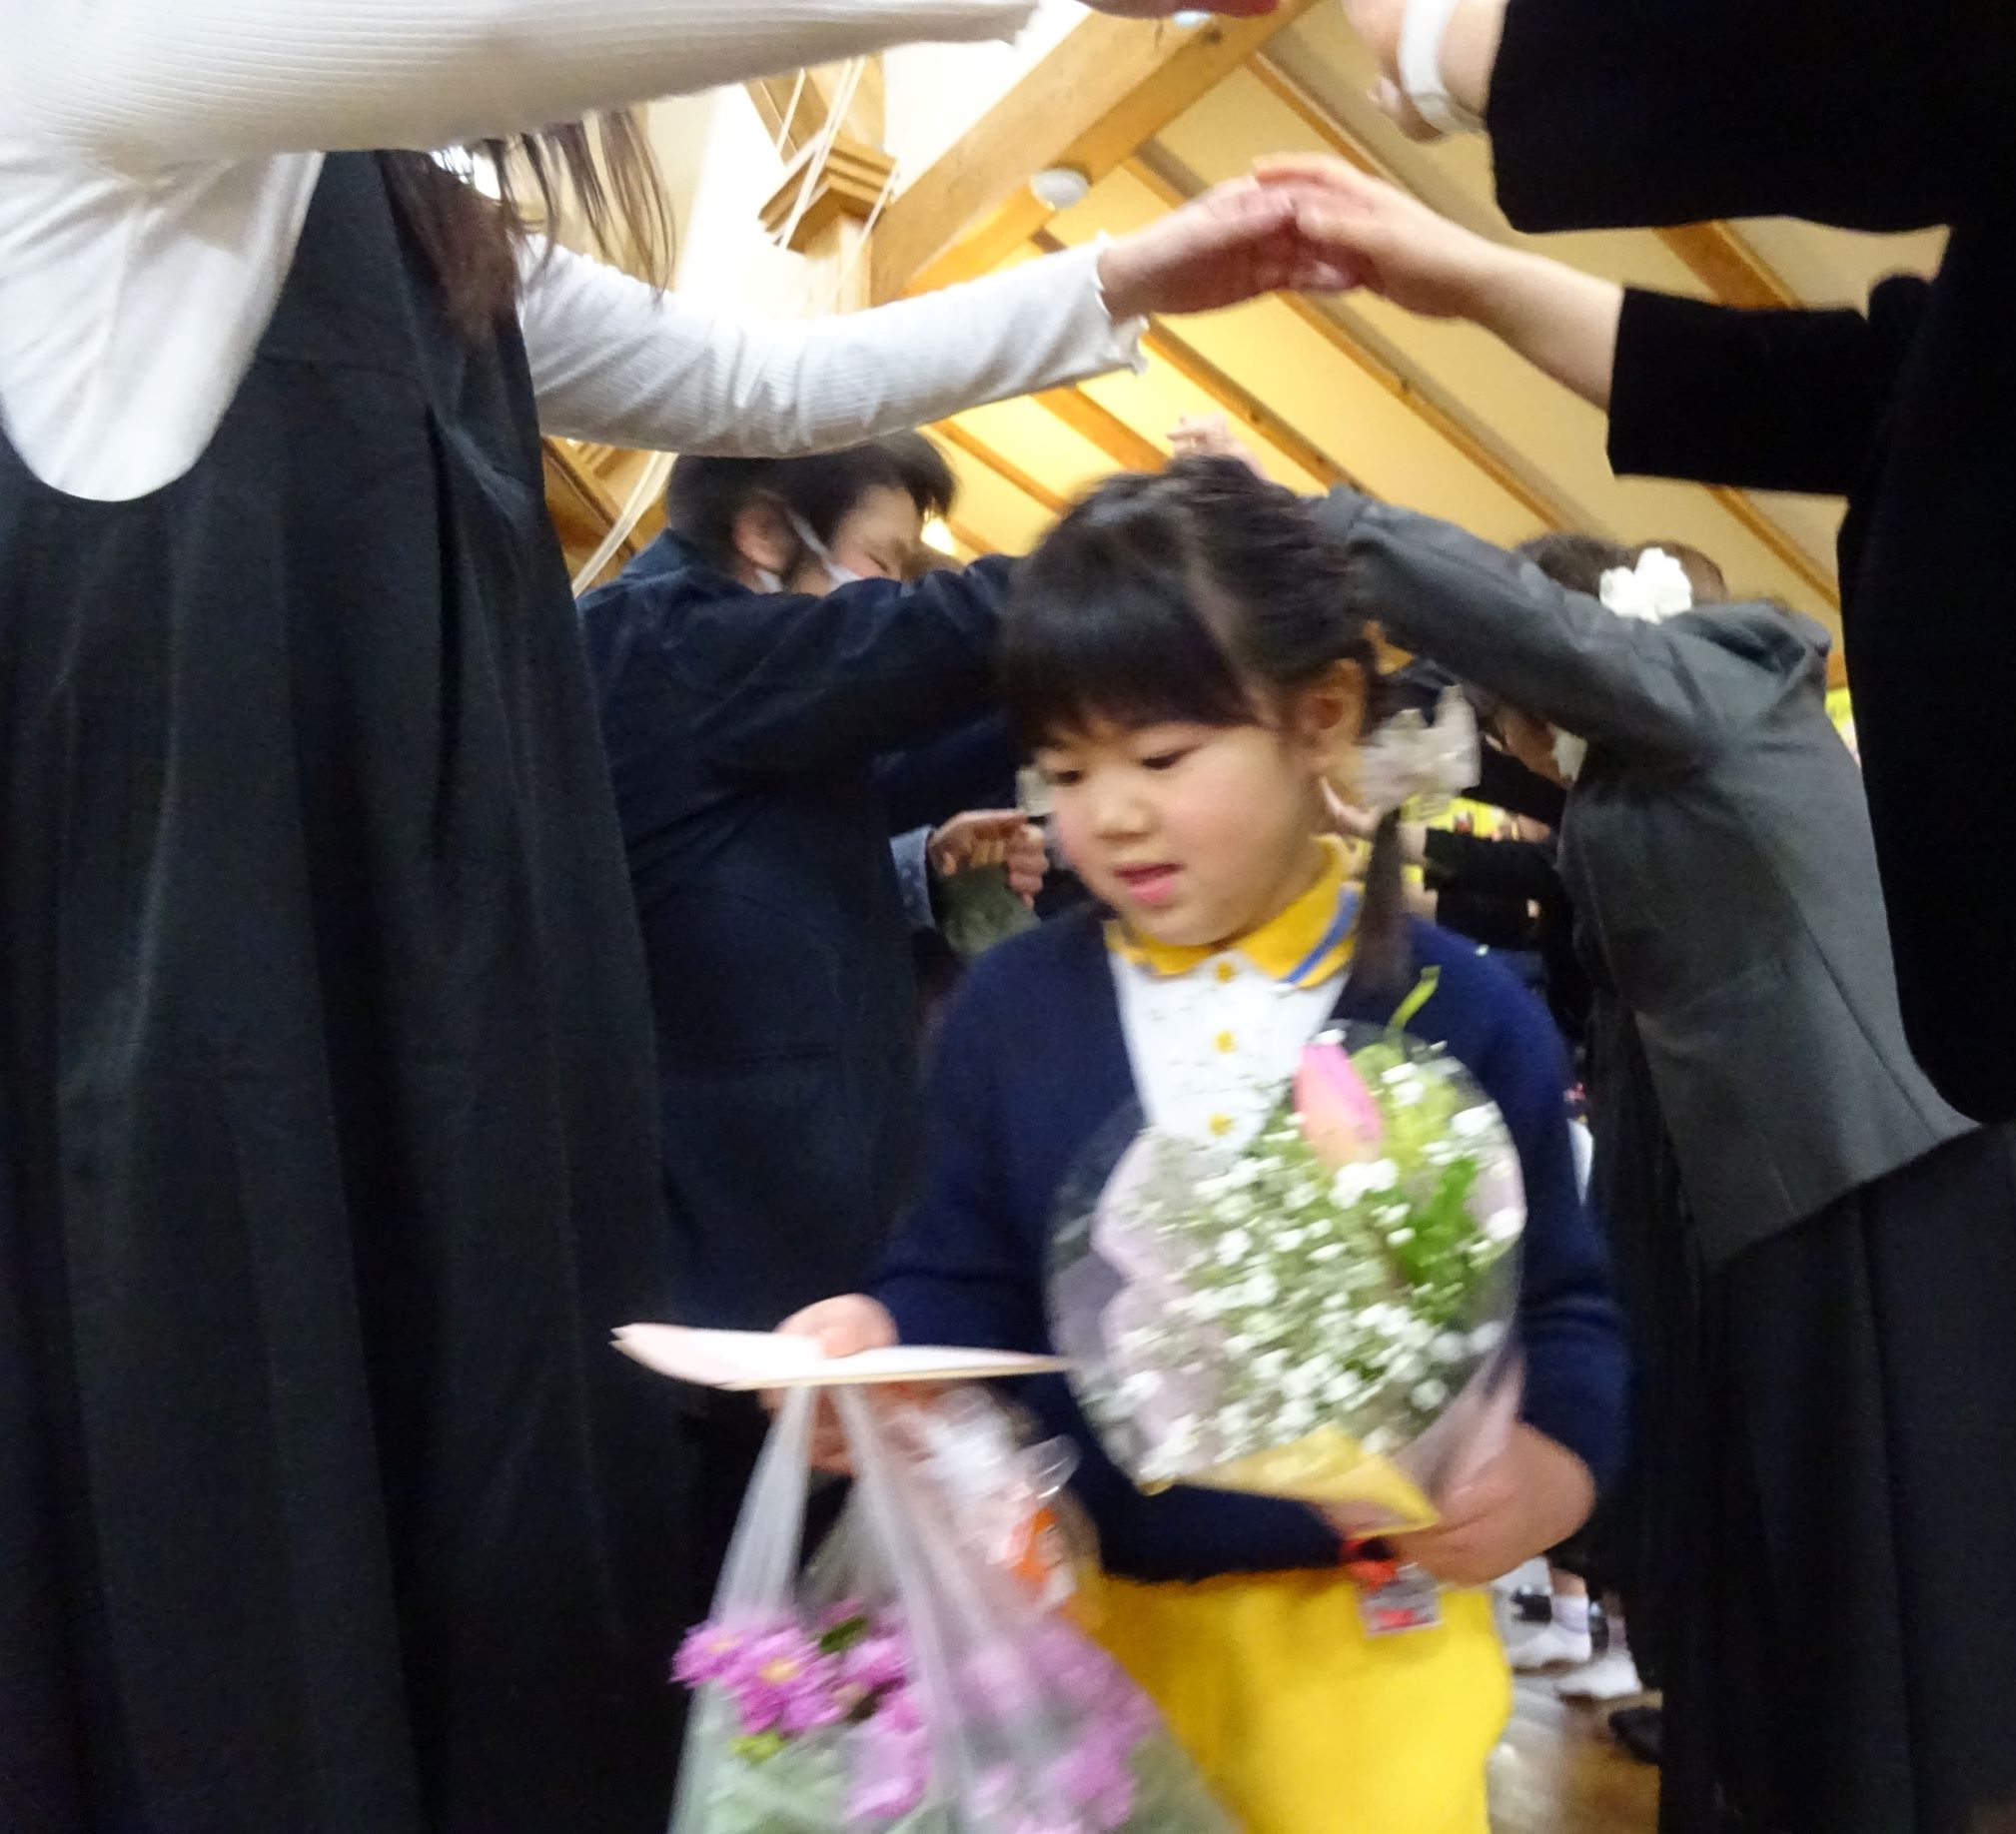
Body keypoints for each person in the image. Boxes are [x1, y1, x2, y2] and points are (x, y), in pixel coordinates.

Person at [0, 3, 1321, 1824]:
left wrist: (1120, 278)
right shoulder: (75, 60)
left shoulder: (417, 227)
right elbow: (501, 30)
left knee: (497, 1538)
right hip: (213, 1010)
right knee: (256, 1549)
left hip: (456, 1030)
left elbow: (769, 384)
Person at [1285, 3, 2016, 1818]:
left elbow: (1977, 62)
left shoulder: (1705, 678)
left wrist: (1457, 47)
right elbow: (1894, 382)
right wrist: (1469, 281)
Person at [777, 458, 1626, 1834]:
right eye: (1065, 770)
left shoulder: (1458, 1012)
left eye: (1162, 758)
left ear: (1320, 719)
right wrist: (877, 1352)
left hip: (1366, 1667)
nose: (1108, 812)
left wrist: (1545, 1474)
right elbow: (960, 1277)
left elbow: (1567, 1314)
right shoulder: (1015, 1011)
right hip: (1076, 1663)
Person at [1306, 492, 2016, 1833]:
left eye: (1515, 713)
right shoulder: (1650, 763)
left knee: (1912, 1557)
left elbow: (1540, 656)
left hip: (1869, 1174)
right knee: (1811, 1561)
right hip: (1776, 1190)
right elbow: (1549, 850)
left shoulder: (1724, 675)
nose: (1518, 746)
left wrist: (1333, 530)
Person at [579, 436, 1054, 1594]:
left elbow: (888, 768)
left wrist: (928, 872)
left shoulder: (732, 690)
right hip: (715, 1289)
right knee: (707, 1621)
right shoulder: (660, 640)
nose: (890, 594)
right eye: (881, 562)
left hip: (786, 1272)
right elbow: (930, 642)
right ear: (762, 534)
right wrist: (1144, 546)